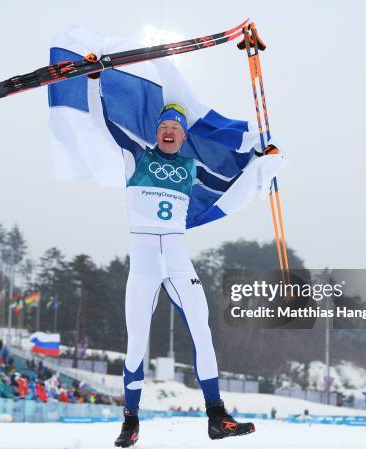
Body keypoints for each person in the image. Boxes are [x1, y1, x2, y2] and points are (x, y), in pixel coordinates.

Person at [87, 74, 277, 447]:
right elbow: (101, 122)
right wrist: (95, 81)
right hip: (143, 263)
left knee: (202, 331)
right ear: (157, 133)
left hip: (177, 259)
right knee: (136, 342)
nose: (169, 132)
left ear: (185, 135)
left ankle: (216, 416)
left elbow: (234, 178)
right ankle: (130, 420)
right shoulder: (136, 157)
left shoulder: (191, 169)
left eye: (175, 127)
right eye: (164, 127)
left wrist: (261, 159)